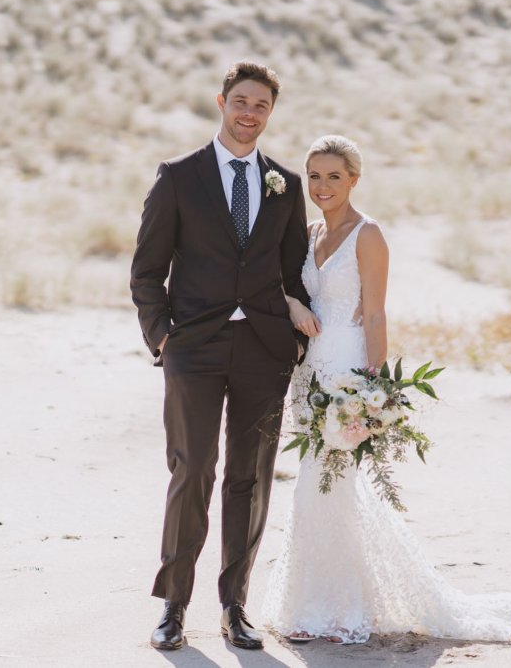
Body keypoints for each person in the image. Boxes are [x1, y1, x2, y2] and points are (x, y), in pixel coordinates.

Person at [262, 135, 511, 644]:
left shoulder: (369, 235)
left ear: (354, 180)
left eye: (334, 177)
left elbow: (379, 310)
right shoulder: (310, 230)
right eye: (315, 176)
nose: (322, 186)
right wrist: (293, 306)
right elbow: (285, 285)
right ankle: (319, 602)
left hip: (347, 368)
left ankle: (340, 608)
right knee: (317, 481)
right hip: (310, 375)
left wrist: (374, 388)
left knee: (331, 480)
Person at [130, 61, 311, 651]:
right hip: (194, 348)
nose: (249, 113)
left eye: (261, 105)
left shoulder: (285, 182)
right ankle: (174, 607)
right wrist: (162, 335)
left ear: (270, 113)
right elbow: (147, 271)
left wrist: (297, 338)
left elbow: (294, 273)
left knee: (250, 477)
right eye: (241, 101)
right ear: (221, 102)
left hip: (264, 352)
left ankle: (235, 607)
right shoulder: (179, 176)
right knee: (192, 472)